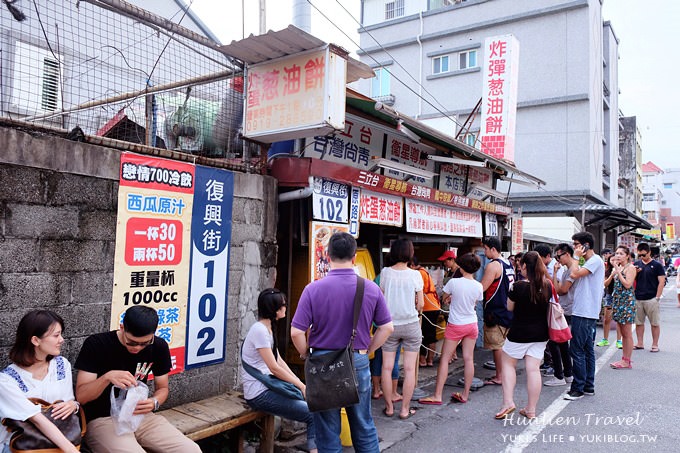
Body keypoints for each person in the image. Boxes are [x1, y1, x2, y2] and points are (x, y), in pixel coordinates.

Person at [291, 232, 393, 453]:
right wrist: (368, 350)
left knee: (327, 432)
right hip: (357, 361)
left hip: (322, 363)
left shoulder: (313, 289)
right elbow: (387, 328)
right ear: (354, 257)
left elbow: (296, 332)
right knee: (364, 426)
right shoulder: (370, 288)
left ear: (328, 256)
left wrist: (305, 354)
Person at [75, 306, 201, 453]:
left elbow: (163, 388)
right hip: (102, 419)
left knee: (191, 450)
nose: (138, 348)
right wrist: (107, 377)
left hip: (139, 415)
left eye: (145, 343)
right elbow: (81, 397)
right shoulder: (97, 344)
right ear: (122, 327)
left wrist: (154, 402)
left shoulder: (158, 346)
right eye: (132, 342)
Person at [241, 289, 316, 452]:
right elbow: (274, 368)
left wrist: (298, 383)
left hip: (268, 387)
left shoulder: (268, 328)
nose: (286, 307)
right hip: (258, 394)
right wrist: (302, 387)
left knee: (315, 407)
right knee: (313, 414)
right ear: (273, 309)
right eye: (283, 305)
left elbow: (278, 360)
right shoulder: (259, 330)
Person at [0, 310, 80, 453]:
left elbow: (69, 400)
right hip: (23, 447)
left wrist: (73, 405)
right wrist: (72, 450)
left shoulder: (61, 365)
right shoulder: (6, 380)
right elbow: (37, 419)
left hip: (58, 444)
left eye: (61, 334)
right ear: (35, 340)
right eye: (56, 335)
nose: (61, 339)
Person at [418, 253, 482, 405]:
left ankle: (437, 395)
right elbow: (474, 303)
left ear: (462, 266)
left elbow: (444, 298)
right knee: (468, 359)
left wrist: (450, 299)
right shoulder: (478, 286)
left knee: (445, 360)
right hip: (472, 324)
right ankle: (465, 394)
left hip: (456, 324)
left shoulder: (454, 282)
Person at [495, 252, 550, 420]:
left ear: (525, 266)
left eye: (521, 265)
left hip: (519, 333)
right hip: (541, 334)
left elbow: (509, 307)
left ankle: (508, 403)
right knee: (533, 369)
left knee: (508, 364)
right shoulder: (547, 285)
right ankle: (531, 409)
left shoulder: (517, 286)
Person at [378, 238, 424, 420]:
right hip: (411, 325)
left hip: (389, 326)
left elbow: (380, 300)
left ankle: (389, 408)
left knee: (387, 367)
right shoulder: (415, 275)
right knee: (410, 369)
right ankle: (405, 410)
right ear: (410, 253)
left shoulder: (385, 273)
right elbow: (420, 304)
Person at [564, 232, 604, 400]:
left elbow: (574, 274)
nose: (575, 247)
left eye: (577, 244)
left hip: (585, 311)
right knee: (587, 350)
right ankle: (588, 385)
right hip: (584, 310)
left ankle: (578, 388)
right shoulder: (589, 261)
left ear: (586, 245)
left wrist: (576, 257)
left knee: (577, 349)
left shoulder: (594, 260)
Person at [480, 236, 515, 386]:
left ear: (493, 249)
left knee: (497, 347)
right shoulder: (509, 264)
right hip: (508, 310)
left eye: (486, 249)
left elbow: (482, 287)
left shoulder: (493, 265)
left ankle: (500, 376)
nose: (485, 251)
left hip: (496, 312)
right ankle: (506, 373)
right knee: (505, 346)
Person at [543, 243, 576, 387]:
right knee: (561, 342)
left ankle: (559, 375)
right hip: (564, 308)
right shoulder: (567, 269)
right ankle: (567, 374)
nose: (558, 259)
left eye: (559, 256)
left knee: (555, 341)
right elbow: (558, 289)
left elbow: (561, 290)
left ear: (567, 254)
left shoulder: (572, 270)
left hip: (566, 308)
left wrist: (553, 274)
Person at [633, 243, 666, 352]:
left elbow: (661, 282)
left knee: (654, 323)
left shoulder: (657, 265)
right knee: (639, 322)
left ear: (649, 252)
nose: (642, 257)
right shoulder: (636, 264)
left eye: (644, 255)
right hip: (638, 297)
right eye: (640, 255)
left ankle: (655, 344)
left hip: (652, 298)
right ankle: (640, 343)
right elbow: (631, 280)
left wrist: (657, 297)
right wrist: (635, 273)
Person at [609, 246, 637, 369]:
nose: (618, 255)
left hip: (626, 302)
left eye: (621, 253)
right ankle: (624, 359)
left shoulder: (630, 268)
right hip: (618, 301)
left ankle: (627, 360)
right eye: (617, 253)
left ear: (627, 256)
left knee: (627, 333)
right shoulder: (620, 267)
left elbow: (627, 284)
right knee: (622, 332)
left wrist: (617, 271)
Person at [410, 256, 440, 368]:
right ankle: (429, 360)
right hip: (434, 306)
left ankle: (423, 360)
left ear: (412, 264)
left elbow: (417, 291)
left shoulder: (419, 273)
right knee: (431, 335)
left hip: (427, 307)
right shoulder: (424, 271)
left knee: (423, 335)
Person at [598, 251, 622, 348]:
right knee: (607, 319)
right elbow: (605, 284)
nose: (614, 261)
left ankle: (619, 340)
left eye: (616, 260)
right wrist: (612, 275)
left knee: (619, 319)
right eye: (612, 260)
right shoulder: (607, 271)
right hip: (609, 295)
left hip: (620, 296)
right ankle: (605, 339)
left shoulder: (623, 269)